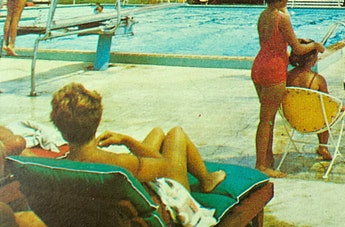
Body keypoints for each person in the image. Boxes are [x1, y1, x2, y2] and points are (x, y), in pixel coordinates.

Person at [49, 82, 226, 195]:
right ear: (97, 121)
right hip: (168, 209)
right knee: (176, 133)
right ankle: (206, 179)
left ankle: (205, 178)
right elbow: (164, 166)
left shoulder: (57, 166)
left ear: (60, 127)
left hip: (104, 221)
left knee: (157, 132)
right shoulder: (118, 164)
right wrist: (127, 141)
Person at [251, 0, 325, 178]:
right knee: (266, 120)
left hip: (259, 66)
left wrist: (294, 40)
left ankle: (267, 159)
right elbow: (299, 49)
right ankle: (261, 165)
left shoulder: (264, 15)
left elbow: (275, 40)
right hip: (273, 70)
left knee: (268, 118)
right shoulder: (281, 18)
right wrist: (316, 46)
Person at [287, 39, 345, 161]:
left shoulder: (286, 77)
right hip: (315, 122)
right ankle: (323, 146)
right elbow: (329, 102)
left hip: (293, 119)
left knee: (316, 109)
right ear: (312, 61)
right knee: (324, 112)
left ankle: (322, 147)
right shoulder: (318, 80)